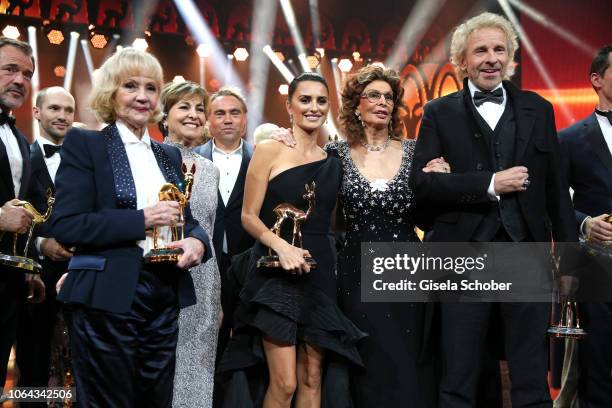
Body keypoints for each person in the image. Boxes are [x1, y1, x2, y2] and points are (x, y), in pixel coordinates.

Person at [410, 12, 577, 408]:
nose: (491, 58)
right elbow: (423, 184)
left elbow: (555, 190)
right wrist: (489, 184)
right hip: (463, 257)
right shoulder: (438, 112)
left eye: (499, 49)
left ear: (511, 58)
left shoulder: (539, 108)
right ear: (462, 61)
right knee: (460, 376)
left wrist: (569, 260)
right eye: (480, 50)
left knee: (531, 376)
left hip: (526, 257)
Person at [52, 47, 211, 407]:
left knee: (155, 399)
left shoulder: (166, 154)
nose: (142, 96)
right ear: (111, 92)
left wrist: (198, 243)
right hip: (108, 296)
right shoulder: (86, 144)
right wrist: (142, 220)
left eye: (151, 88)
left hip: (163, 294)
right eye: (130, 86)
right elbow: (66, 224)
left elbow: (187, 219)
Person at [218, 72, 366, 408]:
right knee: (284, 383)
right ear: (289, 106)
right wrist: (282, 246)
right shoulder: (270, 149)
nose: (313, 107)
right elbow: (248, 216)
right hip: (276, 273)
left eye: (321, 101)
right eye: (305, 99)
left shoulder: (334, 160)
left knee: (312, 377)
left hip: (321, 270)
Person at [159, 80, 220, 408]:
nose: (194, 115)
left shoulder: (210, 170)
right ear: (164, 116)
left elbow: (210, 230)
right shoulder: (151, 158)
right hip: (163, 277)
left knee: (199, 369)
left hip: (206, 282)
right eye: (184, 107)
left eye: (199, 108)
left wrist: (218, 298)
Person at [558, 44, 612, 408]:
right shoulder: (570, 139)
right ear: (596, 79)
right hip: (599, 267)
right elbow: (555, 205)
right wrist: (584, 224)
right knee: (599, 360)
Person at [15, 86, 74, 404]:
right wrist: (39, 244)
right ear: (37, 112)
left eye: (68, 110)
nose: (62, 116)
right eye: (54, 108)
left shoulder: (86, 162)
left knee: (81, 363)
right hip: (35, 276)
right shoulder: (20, 156)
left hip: (80, 276)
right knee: (33, 362)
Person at [192, 87, 254, 376]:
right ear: (208, 120)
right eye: (220, 113)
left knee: (248, 345)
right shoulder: (190, 159)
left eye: (234, 113)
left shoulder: (263, 158)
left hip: (250, 266)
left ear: (244, 120)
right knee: (206, 346)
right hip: (204, 265)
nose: (228, 119)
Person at [0, 36, 45, 398]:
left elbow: (23, 208)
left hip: (8, 283)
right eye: (10, 69)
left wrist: (29, 266)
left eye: (27, 74)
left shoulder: (18, 136)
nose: (20, 80)